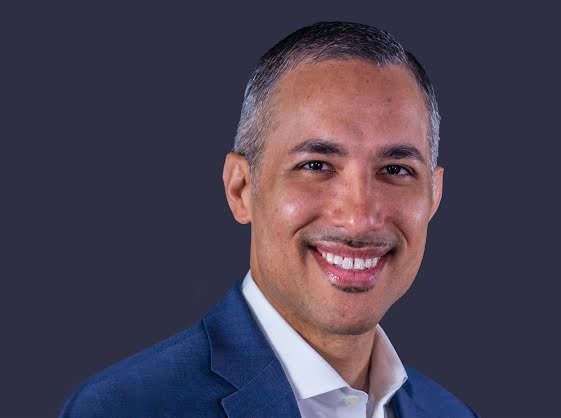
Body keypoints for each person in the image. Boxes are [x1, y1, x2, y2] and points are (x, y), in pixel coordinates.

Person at [60, 21, 480, 418]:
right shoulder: (128, 408)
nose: (359, 218)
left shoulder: (451, 413)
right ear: (241, 188)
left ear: (434, 194)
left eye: (395, 170)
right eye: (317, 165)